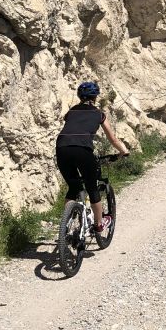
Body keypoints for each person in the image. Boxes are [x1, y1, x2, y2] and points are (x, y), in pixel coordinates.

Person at [56, 81, 129, 233]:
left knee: (74, 186)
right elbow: (113, 139)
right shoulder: (99, 114)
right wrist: (123, 151)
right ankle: (99, 224)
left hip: (62, 148)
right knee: (92, 188)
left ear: (79, 96)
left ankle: (66, 225)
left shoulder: (71, 112)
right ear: (95, 97)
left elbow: (69, 120)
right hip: (82, 150)